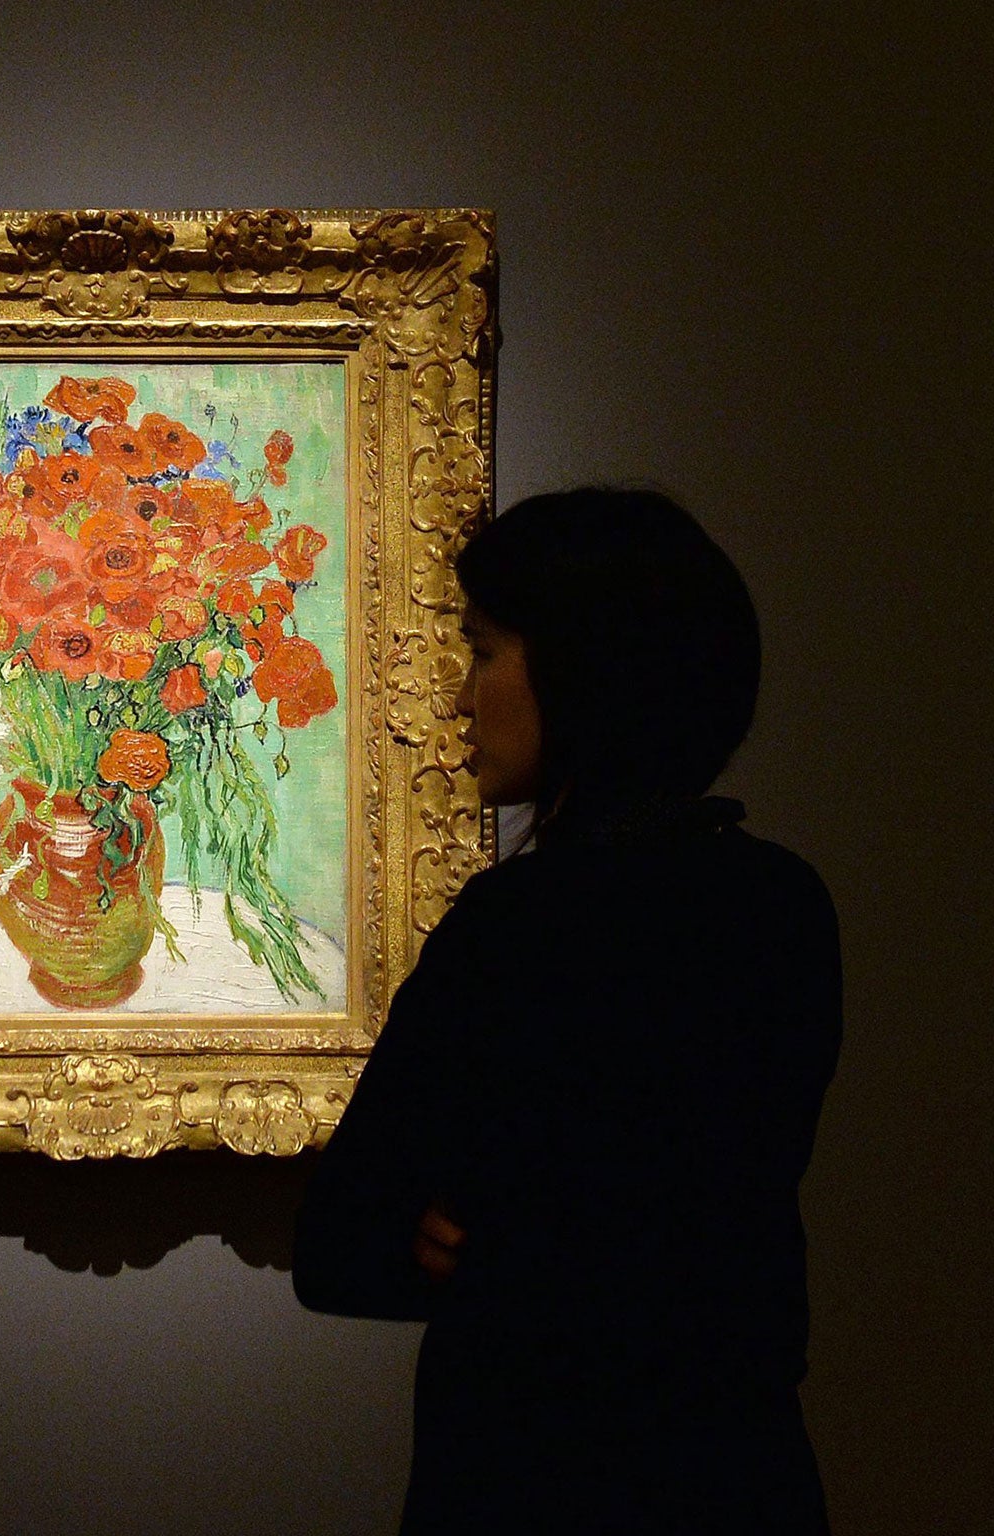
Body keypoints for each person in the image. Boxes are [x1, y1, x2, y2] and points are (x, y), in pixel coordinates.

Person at [294, 488, 842, 1533]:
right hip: (734, 1476)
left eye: (487, 651)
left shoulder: (520, 925)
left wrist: (484, 1247)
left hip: (528, 1473)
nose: (460, 697)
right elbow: (713, 1249)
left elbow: (338, 1242)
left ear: (586, 670)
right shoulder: (782, 907)